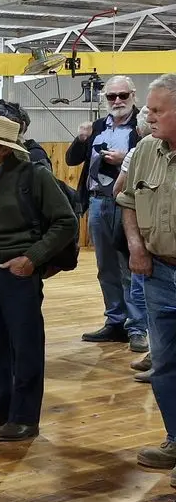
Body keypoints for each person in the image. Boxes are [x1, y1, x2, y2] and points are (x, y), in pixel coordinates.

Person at [0, 113, 77, 442]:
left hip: (17, 273)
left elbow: (66, 222)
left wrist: (31, 259)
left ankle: (24, 418)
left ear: (4, 149)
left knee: (25, 346)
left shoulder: (34, 177)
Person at [119, 74, 176, 483]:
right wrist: (136, 248)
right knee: (165, 364)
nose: (148, 116)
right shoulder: (144, 150)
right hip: (158, 273)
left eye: (158, 110)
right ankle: (175, 438)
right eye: (149, 109)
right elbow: (128, 202)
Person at [68, 76, 147, 351]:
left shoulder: (142, 126)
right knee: (105, 267)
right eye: (111, 96)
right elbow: (70, 160)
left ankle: (137, 326)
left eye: (122, 95)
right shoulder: (97, 126)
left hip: (128, 203)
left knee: (130, 266)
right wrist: (81, 139)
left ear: (133, 95)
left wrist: (125, 158)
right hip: (98, 202)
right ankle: (115, 321)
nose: (117, 101)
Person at [114, 106, 152, 384]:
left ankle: (158, 355)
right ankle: (158, 355)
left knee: (142, 292)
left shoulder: (135, 153)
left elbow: (119, 191)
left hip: (152, 236)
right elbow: (123, 196)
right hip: (147, 236)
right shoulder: (139, 153)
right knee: (145, 293)